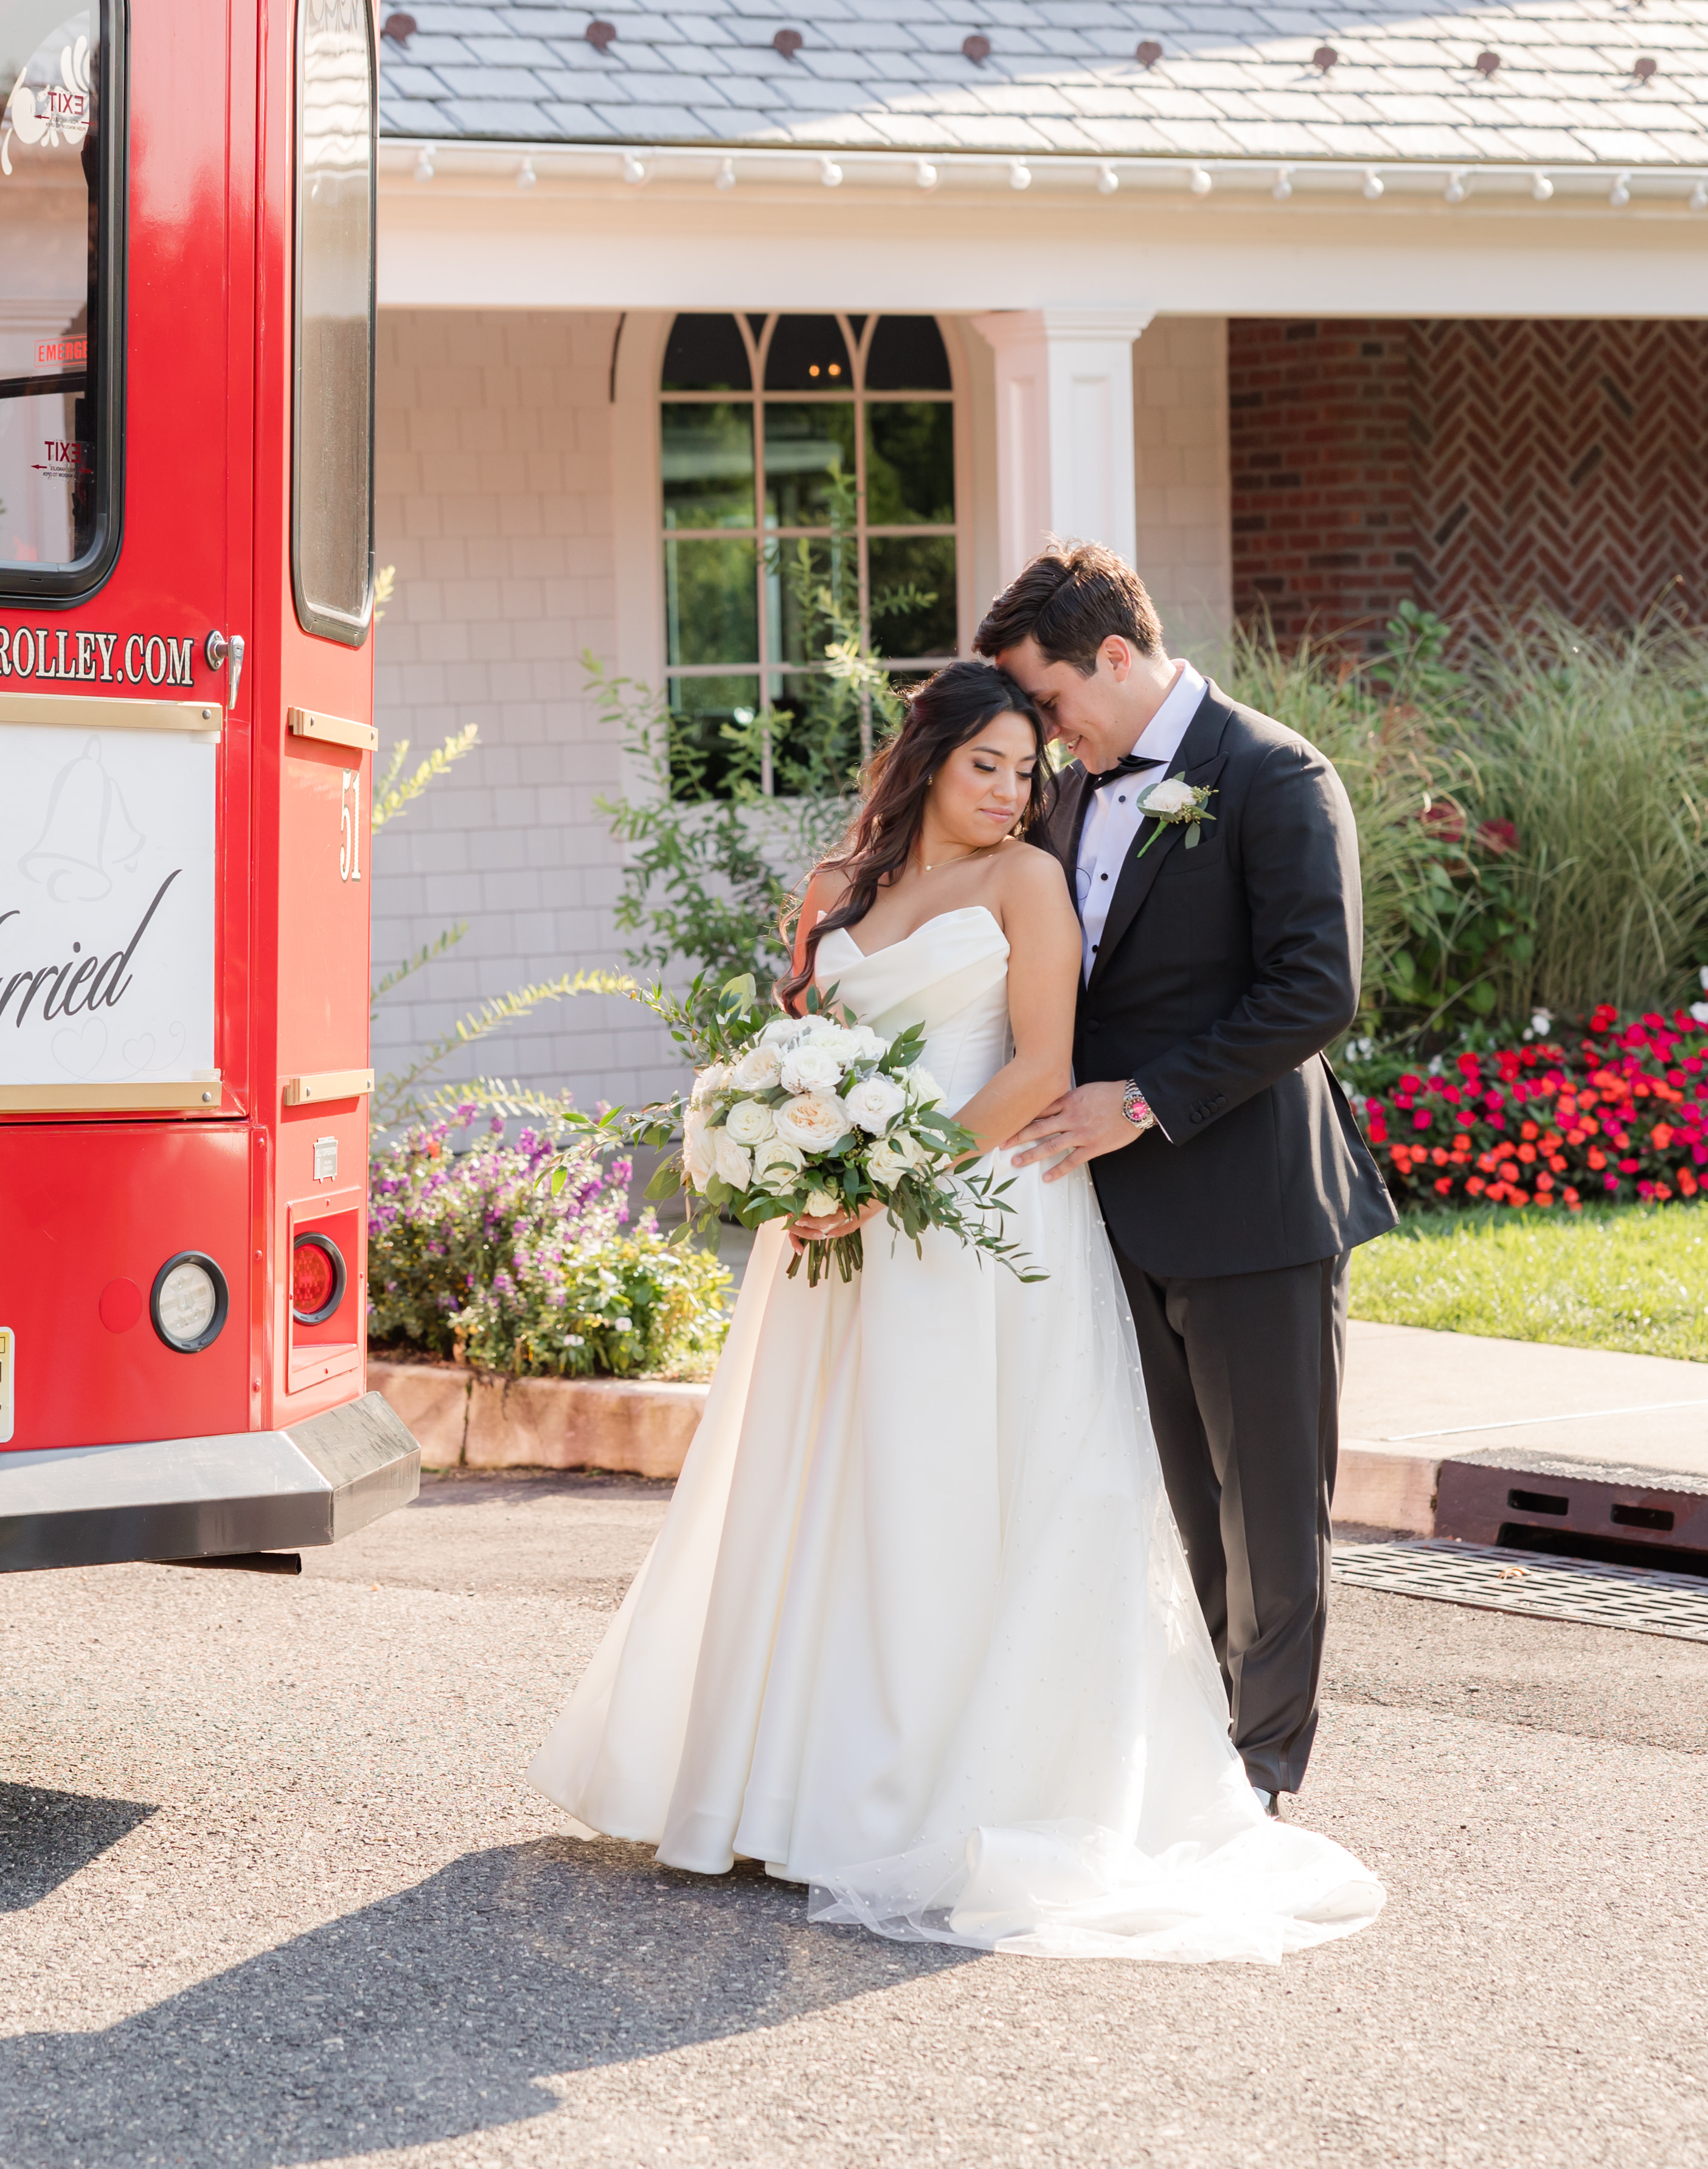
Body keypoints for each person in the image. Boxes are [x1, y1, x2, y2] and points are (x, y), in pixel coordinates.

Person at [530, 657, 1383, 1963]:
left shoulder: (1025, 883)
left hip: (978, 1217)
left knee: (952, 1490)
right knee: (824, 1491)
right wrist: (784, 1144)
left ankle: (931, 1786)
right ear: (925, 756)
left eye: (1024, 770)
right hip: (840, 1237)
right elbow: (796, 1047)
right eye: (984, 763)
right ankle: (781, 1784)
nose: (1007, 790)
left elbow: (1040, 1065)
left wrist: (885, 1176)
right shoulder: (829, 891)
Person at [989, 540, 1400, 1814]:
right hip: (1116, 1218)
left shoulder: (1275, 775)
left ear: (1113, 656)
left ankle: (1262, 1775)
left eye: (1050, 701)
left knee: (1272, 1515)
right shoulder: (1066, 797)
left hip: (1256, 1205)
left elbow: (1312, 991)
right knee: (1184, 1496)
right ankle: (1213, 1748)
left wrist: (1151, 1098)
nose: (1044, 735)